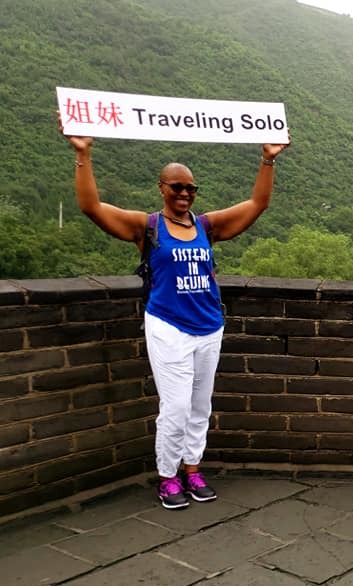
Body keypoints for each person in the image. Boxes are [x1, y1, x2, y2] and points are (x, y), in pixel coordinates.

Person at [64, 131, 287, 509]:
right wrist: (83, 154)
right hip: (169, 326)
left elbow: (257, 204)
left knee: (200, 406)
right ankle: (168, 476)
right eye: (177, 187)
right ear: (162, 187)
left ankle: (193, 468)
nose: (185, 193)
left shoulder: (206, 226)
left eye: (191, 188)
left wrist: (268, 159)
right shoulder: (146, 227)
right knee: (177, 407)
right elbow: (92, 207)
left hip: (209, 326)